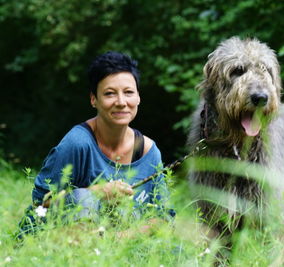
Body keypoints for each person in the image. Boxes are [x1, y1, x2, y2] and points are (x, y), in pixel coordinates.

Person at [19, 51, 172, 235]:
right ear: (94, 99)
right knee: (84, 198)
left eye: (129, 92)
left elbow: (163, 215)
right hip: (58, 244)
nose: (121, 102)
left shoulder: (148, 151)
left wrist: (124, 238)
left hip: (118, 250)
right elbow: (41, 203)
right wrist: (98, 192)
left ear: (138, 97)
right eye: (109, 94)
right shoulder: (78, 143)